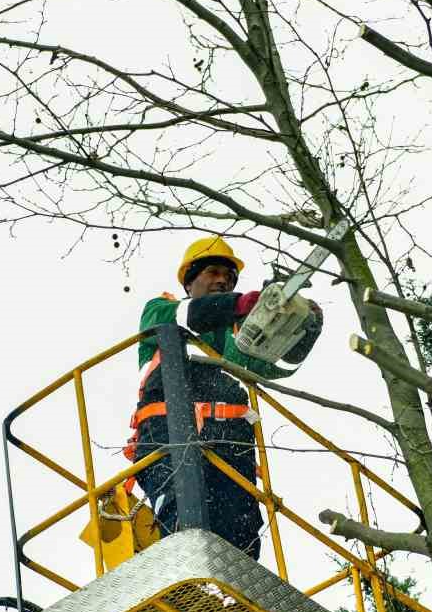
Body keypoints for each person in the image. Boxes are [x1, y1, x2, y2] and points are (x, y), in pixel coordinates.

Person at [125, 234, 323, 559]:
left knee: (242, 536)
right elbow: (191, 315)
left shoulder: (236, 341)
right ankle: (189, 590)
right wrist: (242, 304)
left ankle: (236, 604)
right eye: (213, 272)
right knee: (185, 519)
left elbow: (277, 365)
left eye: (229, 278)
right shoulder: (161, 310)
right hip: (169, 433)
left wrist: (301, 330)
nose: (222, 280)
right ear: (190, 281)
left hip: (231, 443)